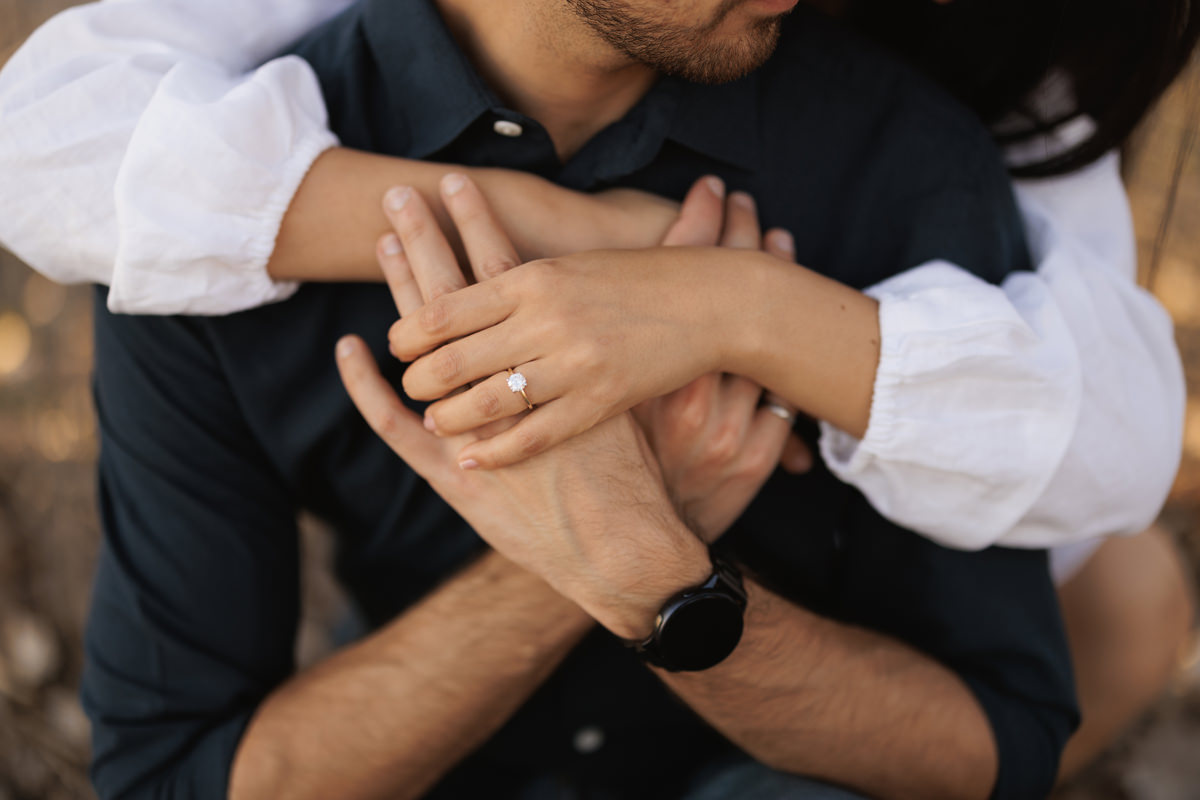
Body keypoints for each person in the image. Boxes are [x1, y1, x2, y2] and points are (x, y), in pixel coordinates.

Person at [0, 0, 1194, 776]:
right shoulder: (202, 197)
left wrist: (665, 556)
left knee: (1133, 589)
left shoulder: (907, 162)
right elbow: (171, 769)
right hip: (422, 740)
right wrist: (597, 556)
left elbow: (1002, 738)